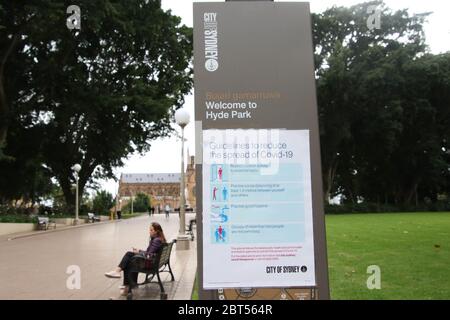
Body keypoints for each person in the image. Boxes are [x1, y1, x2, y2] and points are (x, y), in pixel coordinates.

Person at [104, 222, 167, 296]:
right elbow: (149, 253)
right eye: (149, 230)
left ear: (157, 231)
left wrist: (138, 253)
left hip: (150, 264)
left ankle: (121, 276)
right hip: (154, 262)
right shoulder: (159, 239)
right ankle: (128, 284)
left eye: (151, 230)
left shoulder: (156, 240)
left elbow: (149, 255)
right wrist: (139, 251)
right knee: (130, 258)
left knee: (129, 259)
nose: (149, 231)